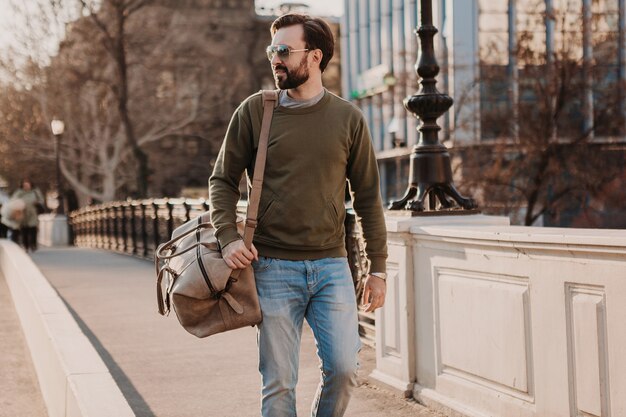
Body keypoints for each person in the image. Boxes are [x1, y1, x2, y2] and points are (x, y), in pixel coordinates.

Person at [209, 13, 388, 417]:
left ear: (315, 57)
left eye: (284, 51)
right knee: (279, 385)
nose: (275, 59)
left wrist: (378, 268)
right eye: (272, 50)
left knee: (344, 370)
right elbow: (222, 179)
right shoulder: (256, 111)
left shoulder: (348, 119)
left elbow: (368, 198)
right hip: (271, 267)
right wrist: (228, 237)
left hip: (332, 267)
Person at [11, 179, 45, 252]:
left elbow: (41, 200)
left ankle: (33, 244)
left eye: (28, 185)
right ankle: (26, 245)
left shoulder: (35, 192)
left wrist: (37, 202)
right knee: (24, 230)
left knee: (33, 230)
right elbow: (13, 200)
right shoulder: (19, 192)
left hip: (33, 213)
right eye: (25, 185)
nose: (26, 186)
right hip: (22, 213)